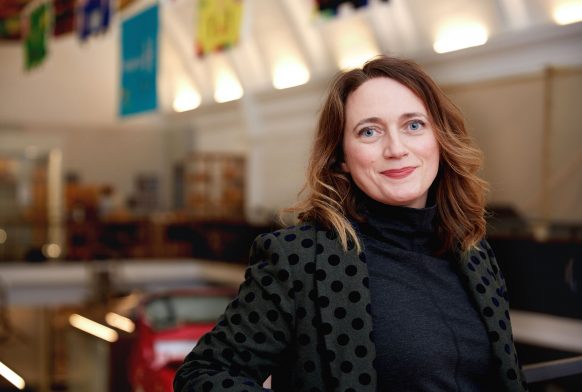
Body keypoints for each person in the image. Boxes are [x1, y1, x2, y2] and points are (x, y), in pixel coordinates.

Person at [174, 56, 528, 392]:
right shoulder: (298, 260)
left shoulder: (474, 255)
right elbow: (203, 375)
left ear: (439, 139)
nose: (396, 148)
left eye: (414, 125)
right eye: (369, 132)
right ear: (341, 157)